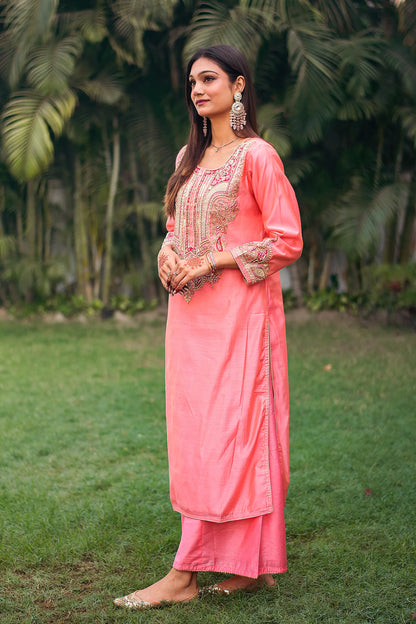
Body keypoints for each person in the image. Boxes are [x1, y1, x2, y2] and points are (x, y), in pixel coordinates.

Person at [114, 44, 303, 610]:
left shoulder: (258, 157)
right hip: (190, 318)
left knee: (238, 434)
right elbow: (175, 228)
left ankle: (184, 574)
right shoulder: (188, 158)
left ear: (238, 86)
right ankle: (252, 567)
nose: (198, 89)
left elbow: (287, 240)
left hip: (241, 317)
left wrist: (215, 262)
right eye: (192, 81)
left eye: (210, 78)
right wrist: (166, 256)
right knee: (198, 437)